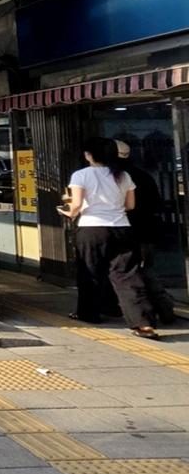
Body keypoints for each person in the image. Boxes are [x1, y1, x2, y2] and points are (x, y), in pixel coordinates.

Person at [59, 137, 159, 339]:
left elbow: (75, 205)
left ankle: (88, 313)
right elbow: (130, 206)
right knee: (127, 275)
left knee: (90, 272)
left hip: (92, 228)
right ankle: (143, 323)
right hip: (122, 228)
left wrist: (67, 212)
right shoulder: (123, 175)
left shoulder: (81, 175)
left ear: (89, 155)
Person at [115, 140, 177, 325]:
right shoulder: (143, 175)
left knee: (133, 272)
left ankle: (157, 309)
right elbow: (156, 203)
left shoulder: (119, 177)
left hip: (128, 230)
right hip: (147, 230)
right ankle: (164, 308)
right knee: (145, 269)